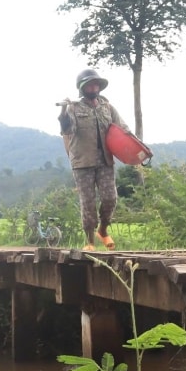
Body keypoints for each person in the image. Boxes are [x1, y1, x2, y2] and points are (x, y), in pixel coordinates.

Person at [58, 68, 131, 251]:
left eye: (96, 84)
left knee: (110, 198)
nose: (94, 87)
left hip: (105, 159)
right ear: (82, 88)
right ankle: (89, 241)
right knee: (88, 201)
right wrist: (63, 112)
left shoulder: (107, 107)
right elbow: (66, 129)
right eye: (90, 84)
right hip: (83, 162)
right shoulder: (74, 108)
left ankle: (103, 231)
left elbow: (122, 128)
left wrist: (138, 147)